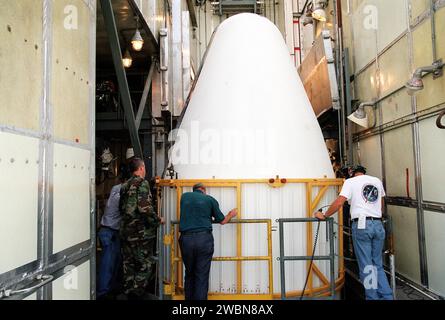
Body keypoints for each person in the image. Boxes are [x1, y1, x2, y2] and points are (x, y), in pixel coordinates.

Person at [314, 165, 393, 300]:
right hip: (378, 224)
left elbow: (339, 202)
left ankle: (372, 298)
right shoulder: (376, 181)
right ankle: (388, 296)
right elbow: (380, 204)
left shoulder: (350, 182)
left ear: (352, 173)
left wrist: (325, 215)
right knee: (377, 264)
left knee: (367, 265)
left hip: (362, 226)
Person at [179, 183, 237, 300]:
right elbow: (222, 221)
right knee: (201, 275)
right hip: (203, 240)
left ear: (194, 190)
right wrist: (231, 214)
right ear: (204, 190)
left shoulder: (184, 197)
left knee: (189, 273)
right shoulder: (209, 199)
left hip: (186, 239)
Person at [119, 157, 162, 299]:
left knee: (129, 263)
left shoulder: (124, 185)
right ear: (142, 168)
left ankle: (128, 292)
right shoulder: (142, 183)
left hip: (126, 232)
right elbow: (144, 208)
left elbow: (122, 207)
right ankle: (136, 294)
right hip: (140, 233)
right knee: (146, 264)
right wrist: (157, 220)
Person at [97, 179, 124, 299]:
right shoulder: (119, 197)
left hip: (109, 232)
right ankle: (103, 293)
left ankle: (111, 290)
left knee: (114, 262)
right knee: (107, 265)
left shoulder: (115, 190)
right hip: (110, 232)